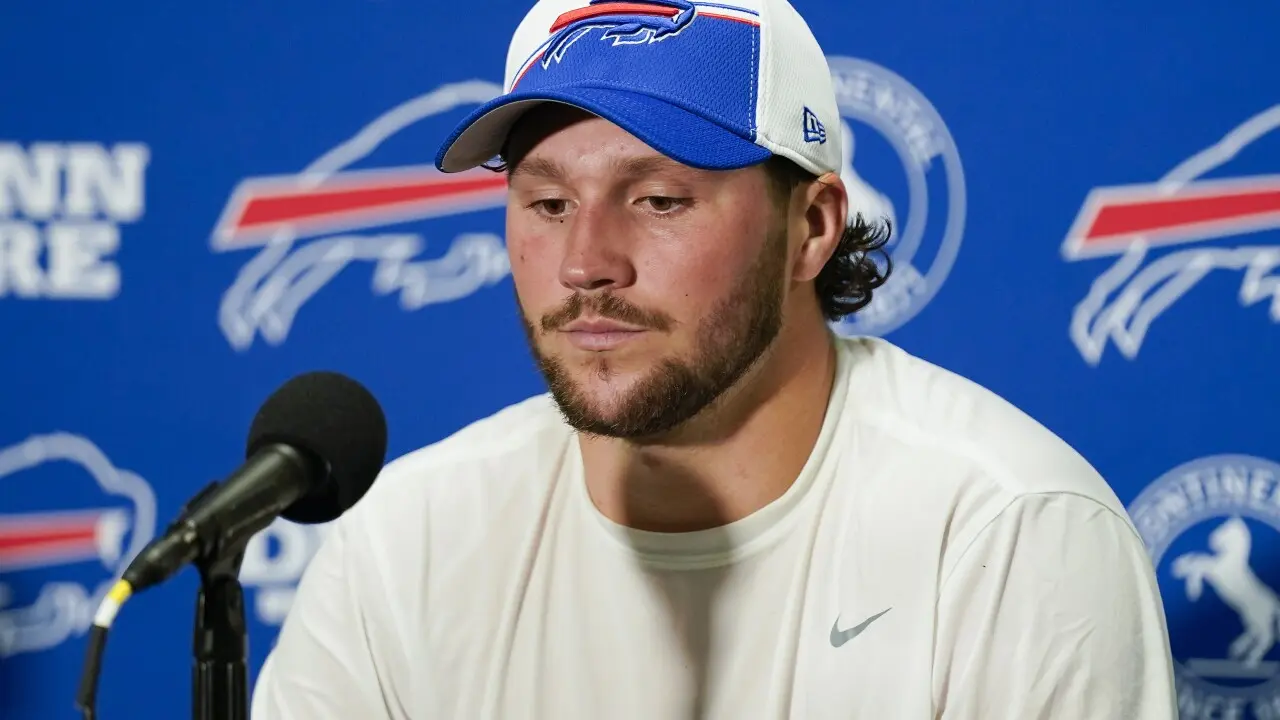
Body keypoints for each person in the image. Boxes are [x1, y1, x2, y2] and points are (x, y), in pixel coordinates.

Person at [251, 0, 1178, 717]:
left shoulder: (1011, 537)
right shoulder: (402, 548)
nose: (585, 263)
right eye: (548, 205)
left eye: (658, 200)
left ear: (812, 227)